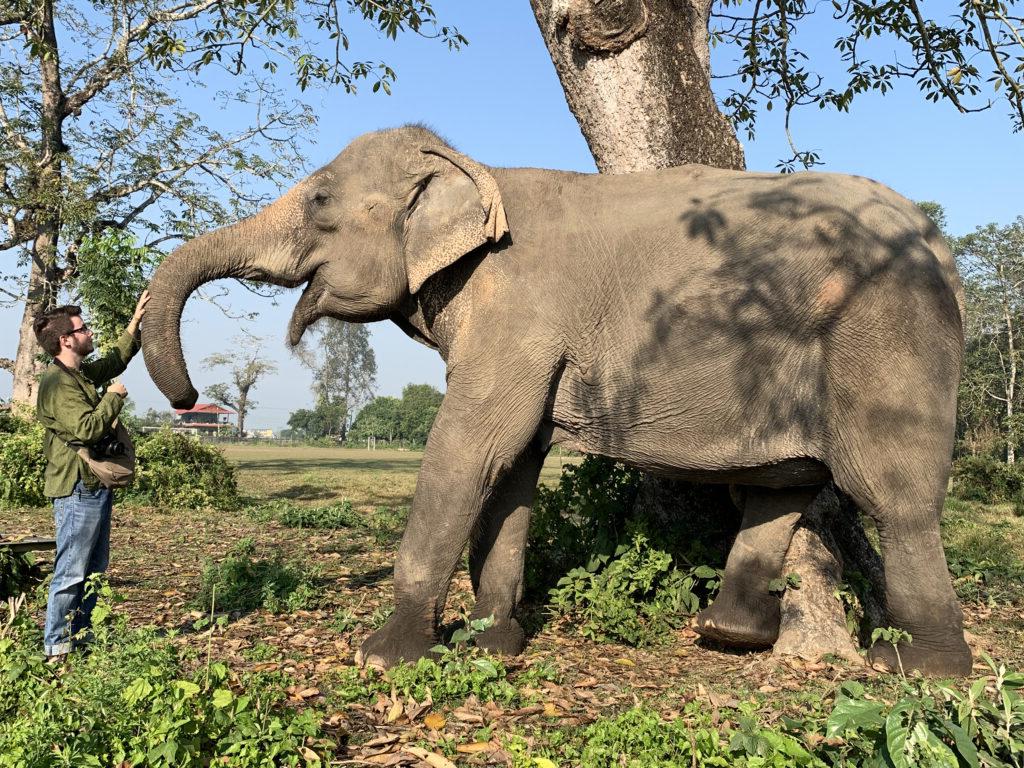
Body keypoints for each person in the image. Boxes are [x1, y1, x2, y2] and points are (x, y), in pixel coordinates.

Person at [33, 290, 150, 660]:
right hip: (76, 489)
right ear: (66, 340)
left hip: (93, 486)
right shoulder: (57, 383)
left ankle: (81, 640)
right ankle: (57, 647)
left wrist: (135, 322)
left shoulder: (78, 375)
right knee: (71, 572)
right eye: (84, 330)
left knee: (94, 570)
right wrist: (114, 397)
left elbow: (113, 360)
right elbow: (86, 429)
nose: (90, 333)